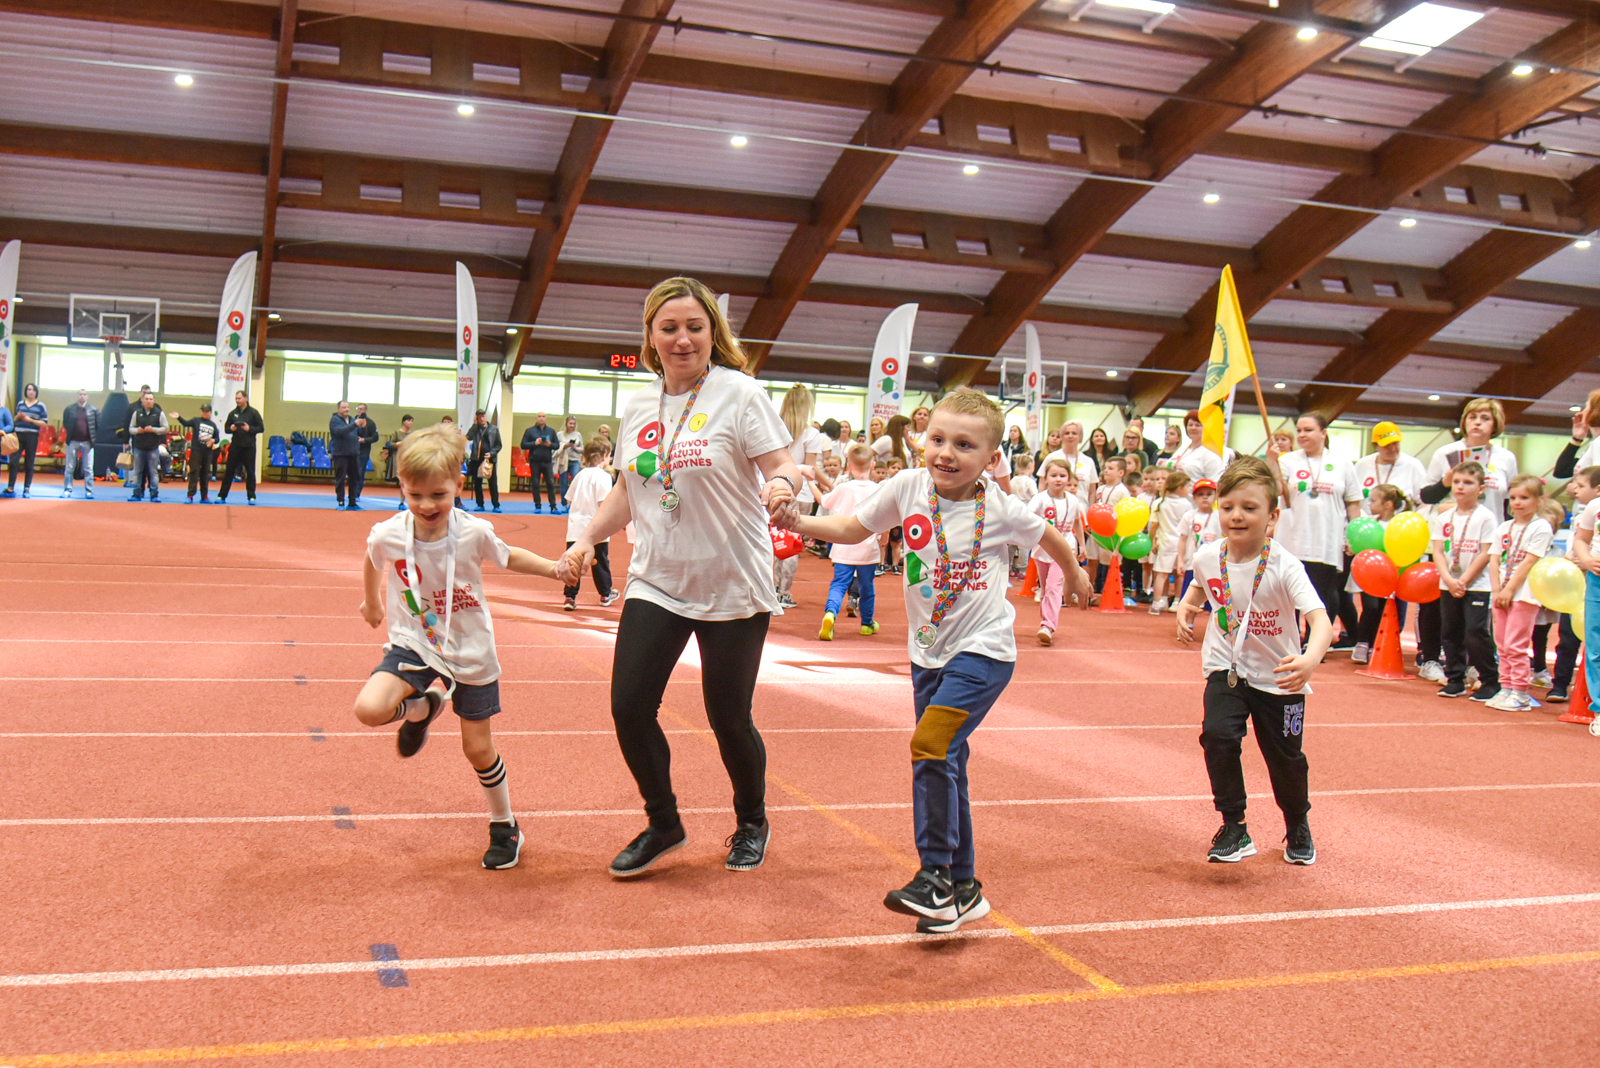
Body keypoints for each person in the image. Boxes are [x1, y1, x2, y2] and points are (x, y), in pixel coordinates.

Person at [782, 387, 1089, 932]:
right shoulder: (907, 486)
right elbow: (853, 529)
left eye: (964, 445)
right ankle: (964, 888)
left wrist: (1077, 572)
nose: (946, 453)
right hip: (928, 653)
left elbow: (1050, 537)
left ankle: (935, 878)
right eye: (938, 439)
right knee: (949, 760)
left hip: (984, 651)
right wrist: (798, 522)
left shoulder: (1001, 508)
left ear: (991, 459)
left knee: (930, 745)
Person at [556, 275, 804, 879]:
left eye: (695, 326)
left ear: (712, 332)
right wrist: (586, 539)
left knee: (728, 717)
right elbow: (628, 490)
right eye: (669, 328)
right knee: (629, 706)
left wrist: (780, 484)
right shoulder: (641, 405)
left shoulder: (739, 392)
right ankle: (663, 821)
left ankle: (752, 821)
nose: (683, 339)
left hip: (732, 581)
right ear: (651, 336)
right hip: (658, 578)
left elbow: (783, 463)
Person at [354, 424, 563, 870]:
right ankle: (421, 709)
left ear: (459, 486)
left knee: (477, 749)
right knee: (369, 709)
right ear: (401, 486)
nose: (427, 505)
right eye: (415, 495)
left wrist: (554, 569)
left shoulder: (473, 532)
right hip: (415, 641)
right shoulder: (389, 533)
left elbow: (509, 555)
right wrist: (372, 602)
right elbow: (372, 559)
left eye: (438, 495)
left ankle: (505, 825)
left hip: (470, 649)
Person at [1176, 456, 1330, 866]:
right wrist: (1186, 606)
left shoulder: (1285, 566)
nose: (1236, 516)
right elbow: (1201, 587)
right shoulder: (1208, 557)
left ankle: (1297, 822)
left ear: (1272, 517)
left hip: (1279, 676)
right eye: (1227, 507)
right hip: (1226, 667)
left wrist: (1310, 659)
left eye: (1249, 508)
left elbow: (1320, 621)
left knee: (1285, 760)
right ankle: (1234, 825)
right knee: (1218, 736)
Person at [1270, 414, 1361, 649]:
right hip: (1292, 539)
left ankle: (1315, 644)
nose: (1302, 435)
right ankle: (1288, 642)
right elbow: (1276, 490)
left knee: (1321, 597)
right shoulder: (1288, 460)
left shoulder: (1342, 463)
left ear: (1323, 433)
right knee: (1287, 595)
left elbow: (1353, 502)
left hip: (1326, 541)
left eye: (1308, 430)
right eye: (1299, 430)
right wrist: (1272, 461)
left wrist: (1354, 535)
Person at [1429, 461, 1500, 703]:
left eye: (1468, 483)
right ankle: (1455, 679)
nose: (1460, 487)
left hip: (1476, 585)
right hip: (1449, 584)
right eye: (1457, 482)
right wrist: (1449, 579)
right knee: (1450, 632)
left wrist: (1464, 580)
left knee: (1475, 633)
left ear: (1481, 489)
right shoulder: (1444, 517)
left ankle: (1490, 680)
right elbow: (1438, 551)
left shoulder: (1486, 517)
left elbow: (1486, 552)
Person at [1484, 476, 1552, 712]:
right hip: (1501, 592)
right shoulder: (1504, 527)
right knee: (1501, 644)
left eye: (1524, 498)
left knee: (1515, 644)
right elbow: (1494, 560)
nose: (1517, 503)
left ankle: (1521, 692)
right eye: (1513, 498)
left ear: (1539, 500)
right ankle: (1506, 687)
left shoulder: (1541, 527)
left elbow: (1529, 562)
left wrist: (1510, 589)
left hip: (1524, 594)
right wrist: (1497, 590)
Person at [817, 443, 882, 641]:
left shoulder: (843, 488)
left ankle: (830, 614)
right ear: (872, 465)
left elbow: (823, 501)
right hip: (867, 547)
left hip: (843, 546)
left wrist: (811, 482)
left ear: (849, 467)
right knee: (867, 587)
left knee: (838, 584)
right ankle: (866, 624)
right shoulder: (879, 489)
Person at [776, 385, 828, 610]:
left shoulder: (774, 428)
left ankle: (773, 589)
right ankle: (784, 593)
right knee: (792, 545)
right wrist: (831, 485)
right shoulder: (811, 434)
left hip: (777, 487)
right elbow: (812, 468)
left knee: (775, 543)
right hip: (802, 492)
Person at [1351, 484, 1408, 662]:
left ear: (1388, 505)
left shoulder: (1398, 526)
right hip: (1370, 576)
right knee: (1371, 607)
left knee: (1387, 610)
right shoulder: (1370, 524)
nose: (1369, 504)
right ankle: (1362, 643)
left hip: (1392, 576)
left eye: (1373, 500)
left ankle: (1378, 644)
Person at [1031, 457, 1084, 645]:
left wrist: (1082, 545)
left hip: (1065, 550)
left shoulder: (1074, 501)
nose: (1058, 479)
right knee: (1045, 589)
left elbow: (1077, 523)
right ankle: (1045, 621)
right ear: (1046, 478)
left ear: (1069, 478)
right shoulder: (1039, 499)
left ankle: (1048, 626)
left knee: (1055, 587)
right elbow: (1027, 519)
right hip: (1042, 549)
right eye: (1053, 475)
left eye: (1062, 475)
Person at [563, 438, 619, 611]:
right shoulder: (604, 477)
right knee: (600, 561)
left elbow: (569, 498)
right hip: (595, 528)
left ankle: (570, 596)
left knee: (574, 562)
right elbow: (604, 503)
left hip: (575, 527)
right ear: (603, 456)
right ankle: (605, 593)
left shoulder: (580, 475)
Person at [1354, 422, 1427, 512]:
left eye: (1395, 444)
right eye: (1387, 445)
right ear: (1375, 446)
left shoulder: (1413, 465)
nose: (1392, 449)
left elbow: (1425, 502)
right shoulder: (1362, 465)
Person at [1149, 470, 1193, 615]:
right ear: (1180, 488)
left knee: (1161, 574)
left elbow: (1154, 525)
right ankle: (1177, 601)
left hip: (1165, 543)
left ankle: (1157, 603)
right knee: (1179, 574)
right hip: (1181, 544)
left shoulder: (1161, 503)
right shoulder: (1187, 504)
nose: (1189, 490)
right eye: (1188, 487)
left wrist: (1152, 540)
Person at [218, 390, 262, 505]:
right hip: (235, 447)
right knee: (229, 472)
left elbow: (261, 428)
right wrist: (231, 428)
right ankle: (222, 496)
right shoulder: (233, 413)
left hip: (249, 447)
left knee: (250, 472)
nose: (237, 400)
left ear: (245, 398)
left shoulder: (253, 413)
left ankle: (251, 497)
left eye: (239, 398)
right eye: (236, 399)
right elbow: (226, 428)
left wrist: (249, 429)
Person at [1162, 409, 1230, 485]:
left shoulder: (1211, 453)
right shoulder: (1182, 449)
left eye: (1198, 425)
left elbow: (1215, 483)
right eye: (1190, 425)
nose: (1193, 428)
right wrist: (1173, 465)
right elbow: (1165, 466)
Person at [5, 382, 46, 498]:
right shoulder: (20, 404)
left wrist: (30, 420)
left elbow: (44, 423)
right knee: (14, 460)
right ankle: (10, 486)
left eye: (33, 390)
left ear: (36, 392)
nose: (30, 392)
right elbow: (13, 421)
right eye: (28, 389)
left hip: (32, 435)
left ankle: (27, 487)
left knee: (29, 462)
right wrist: (18, 417)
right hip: (19, 434)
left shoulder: (40, 406)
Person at [125, 387, 166, 502]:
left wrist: (154, 430)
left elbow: (165, 428)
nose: (149, 401)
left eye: (151, 399)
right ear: (142, 400)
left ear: (154, 401)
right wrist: (137, 431)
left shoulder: (159, 413)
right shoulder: (136, 413)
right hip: (139, 447)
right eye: (146, 399)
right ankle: (136, 494)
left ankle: (154, 494)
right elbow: (130, 428)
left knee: (153, 472)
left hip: (153, 447)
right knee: (137, 472)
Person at [59, 387, 99, 499]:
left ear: (87, 396)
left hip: (87, 442)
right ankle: (67, 490)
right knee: (69, 467)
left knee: (88, 468)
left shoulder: (94, 410)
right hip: (73, 441)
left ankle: (89, 491)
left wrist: (92, 439)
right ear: (77, 396)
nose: (82, 396)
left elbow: (97, 425)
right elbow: (66, 423)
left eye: (84, 394)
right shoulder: (69, 409)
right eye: (80, 394)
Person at [177, 402, 220, 504]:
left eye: (206, 411)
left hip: (207, 452)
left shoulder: (213, 425)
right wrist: (178, 417)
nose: (204, 413)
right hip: (196, 450)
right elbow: (186, 423)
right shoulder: (196, 421)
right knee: (194, 472)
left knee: (205, 474)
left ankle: (204, 496)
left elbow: (217, 439)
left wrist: (213, 440)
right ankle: (190, 495)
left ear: (210, 412)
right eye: (203, 411)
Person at [1043, 421, 1096, 504]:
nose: (1070, 436)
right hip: (1054, 507)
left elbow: (1092, 492)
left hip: (1082, 507)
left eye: (1074, 433)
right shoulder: (1051, 457)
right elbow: (1042, 484)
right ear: (1062, 437)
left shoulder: (1088, 461)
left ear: (1080, 437)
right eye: (1067, 433)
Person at [520, 412, 560, 512]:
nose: (541, 418)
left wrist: (550, 444)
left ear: (546, 418)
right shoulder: (530, 431)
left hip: (547, 461)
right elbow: (523, 445)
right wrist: (534, 443)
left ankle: (553, 506)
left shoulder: (551, 431)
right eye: (539, 417)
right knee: (535, 484)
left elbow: (557, 445)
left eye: (543, 417)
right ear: (536, 418)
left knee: (550, 483)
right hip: (535, 461)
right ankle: (537, 506)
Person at [466, 408, 502, 513]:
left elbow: (499, 445)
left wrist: (491, 453)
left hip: (489, 459)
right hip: (476, 459)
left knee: (493, 483)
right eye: (479, 417)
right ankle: (480, 504)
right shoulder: (475, 429)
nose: (481, 419)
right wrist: (474, 425)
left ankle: (496, 505)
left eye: (483, 416)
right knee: (477, 483)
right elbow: (469, 437)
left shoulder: (494, 429)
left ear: (486, 417)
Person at [329, 400, 362, 510]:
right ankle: (341, 502)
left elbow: (358, 433)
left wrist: (363, 426)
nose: (346, 409)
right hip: (341, 454)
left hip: (353, 454)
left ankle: (352, 502)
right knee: (340, 479)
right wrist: (354, 425)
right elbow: (340, 432)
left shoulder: (352, 420)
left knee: (355, 478)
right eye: (344, 407)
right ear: (338, 409)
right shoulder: (335, 420)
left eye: (348, 407)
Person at [555, 415, 584, 505]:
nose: (572, 425)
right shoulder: (559, 435)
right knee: (564, 483)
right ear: (566, 424)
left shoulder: (578, 435)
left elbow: (582, 448)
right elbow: (555, 447)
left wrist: (575, 448)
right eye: (570, 423)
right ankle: (564, 504)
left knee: (576, 480)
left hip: (575, 460)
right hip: (563, 461)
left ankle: (575, 503)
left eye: (573, 424)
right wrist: (565, 445)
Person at [384, 415, 414, 483]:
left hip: (409, 454)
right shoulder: (397, 433)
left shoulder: (413, 434)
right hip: (398, 454)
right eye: (408, 421)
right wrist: (397, 444)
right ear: (403, 422)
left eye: (412, 421)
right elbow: (391, 444)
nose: (410, 422)